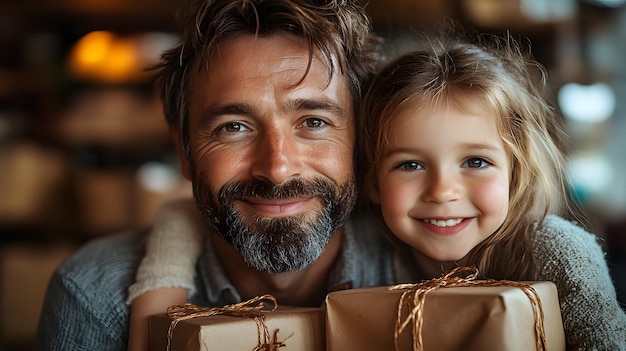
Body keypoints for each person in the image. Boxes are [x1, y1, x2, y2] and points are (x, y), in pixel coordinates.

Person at [35, 0, 397, 350]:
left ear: (361, 143)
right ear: (184, 151)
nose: (277, 169)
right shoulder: (96, 296)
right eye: (234, 127)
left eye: (314, 122)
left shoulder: (426, 268)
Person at [356, 26, 626, 350]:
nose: (442, 192)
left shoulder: (560, 253)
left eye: (475, 162)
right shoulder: (361, 254)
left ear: (516, 172)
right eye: (410, 165)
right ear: (372, 181)